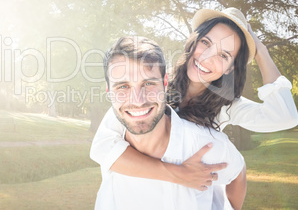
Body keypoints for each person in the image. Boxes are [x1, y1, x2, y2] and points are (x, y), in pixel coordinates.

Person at [90, 8, 298, 204]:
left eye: (224, 55)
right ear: (193, 41)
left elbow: (285, 116)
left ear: (230, 68)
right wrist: (179, 174)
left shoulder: (226, 106)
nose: (207, 58)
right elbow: (103, 148)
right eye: (206, 43)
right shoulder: (150, 86)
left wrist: (260, 52)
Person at [94, 36, 247, 210]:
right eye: (122, 87)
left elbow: (238, 172)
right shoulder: (111, 143)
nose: (137, 100)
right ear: (109, 92)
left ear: (165, 83)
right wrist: (178, 174)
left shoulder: (205, 144)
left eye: (149, 83)